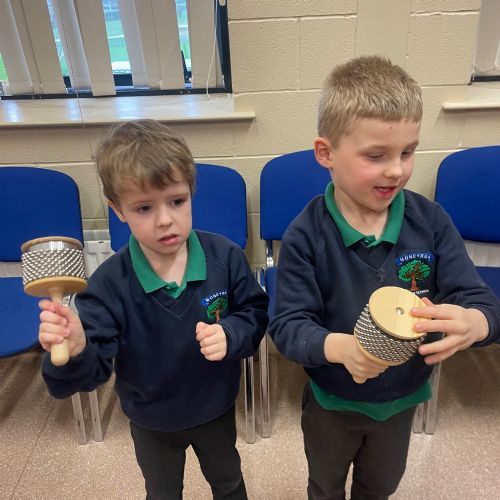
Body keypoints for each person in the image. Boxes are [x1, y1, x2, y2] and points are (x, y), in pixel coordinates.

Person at [268, 55, 500, 500]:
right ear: (326, 153)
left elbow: (481, 301)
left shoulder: (430, 221)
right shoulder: (305, 234)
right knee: (325, 486)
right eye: (376, 156)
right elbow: (288, 327)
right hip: (332, 402)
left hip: (401, 401)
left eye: (407, 152)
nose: (396, 169)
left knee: (380, 487)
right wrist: (342, 349)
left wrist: (476, 322)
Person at [38, 119, 269, 500]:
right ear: (118, 210)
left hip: (215, 408)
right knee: (162, 492)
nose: (165, 220)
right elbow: (76, 380)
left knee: (228, 483)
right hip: (151, 420)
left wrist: (231, 334)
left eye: (177, 201)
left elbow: (255, 314)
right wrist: (76, 350)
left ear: (191, 192)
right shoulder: (108, 285)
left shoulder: (225, 257)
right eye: (144, 207)